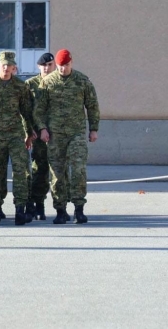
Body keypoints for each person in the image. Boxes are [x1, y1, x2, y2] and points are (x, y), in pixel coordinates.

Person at [36, 49, 100, 225]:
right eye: (60, 66)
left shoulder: (82, 81)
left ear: (71, 63)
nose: (63, 69)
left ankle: (79, 208)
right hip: (55, 135)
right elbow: (39, 109)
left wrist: (93, 129)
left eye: (66, 65)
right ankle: (60, 210)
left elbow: (92, 105)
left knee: (78, 169)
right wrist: (42, 128)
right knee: (57, 173)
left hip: (76, 133)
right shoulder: (47, 82)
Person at [0, 51, 34, 225]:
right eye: (3, 64)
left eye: (9, 65)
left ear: (13, 67)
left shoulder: (20, 86)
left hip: (15, 135)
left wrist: (29, 133)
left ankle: (20, 208)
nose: (6, 68)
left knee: (21, 171)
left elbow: (26, 111)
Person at [26, 52, 56, 220]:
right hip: (38, 135)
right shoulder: (30, 85)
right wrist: (30, 132)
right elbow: (26, 111)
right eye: (44, 65)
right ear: (38, 66)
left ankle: (61, 206)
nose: (47, 68)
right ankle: (38, 204)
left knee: (59, 171)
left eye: (50, 65)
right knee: (40, 169)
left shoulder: (59, 83)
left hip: (57, 133)